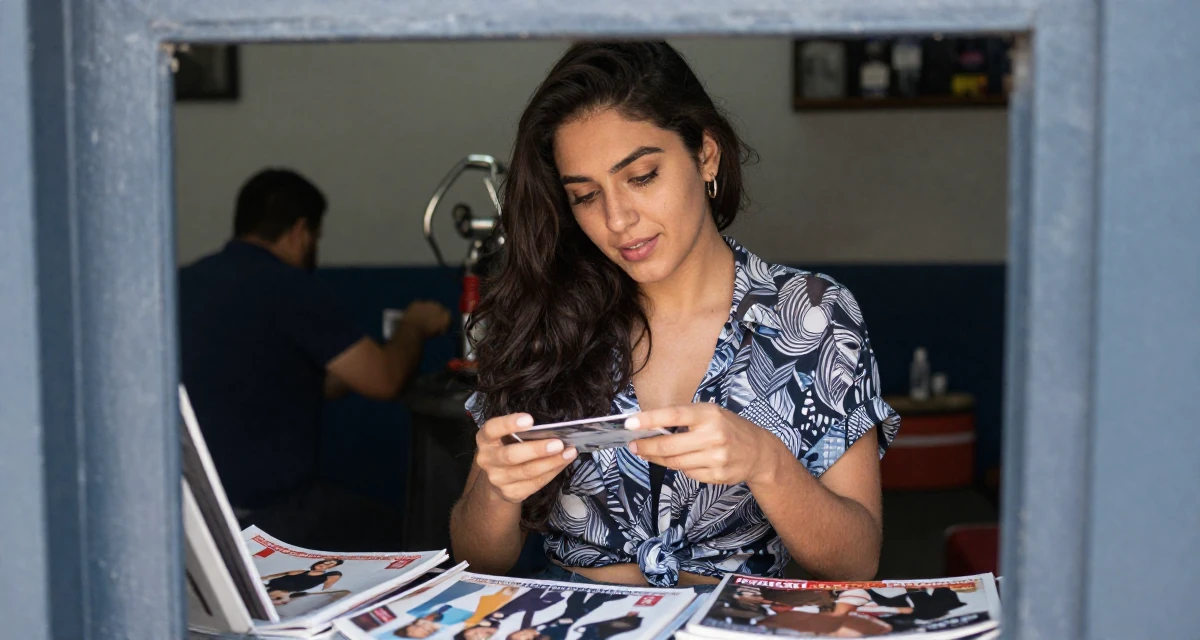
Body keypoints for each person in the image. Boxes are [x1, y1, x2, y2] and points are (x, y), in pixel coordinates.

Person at [449, 42, 901, 588]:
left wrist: (767, 464)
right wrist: (496, 490)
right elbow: (477, 559)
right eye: (586, 195)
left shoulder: (811, 315)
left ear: (706, 155)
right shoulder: (545, 316)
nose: (618, 219)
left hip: (730, 622)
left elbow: (856, 562)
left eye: (641, 176)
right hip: (573, 619)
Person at [180, 168, 451, 550]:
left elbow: (273, 377)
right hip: (272, 515)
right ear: (300, 231)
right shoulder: (289, 286)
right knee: (412, 537)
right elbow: (384, 380)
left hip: (191, 512)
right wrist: (414, 326)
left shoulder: (186, 283)